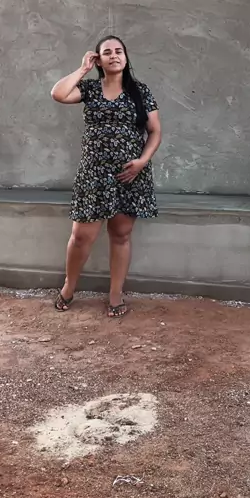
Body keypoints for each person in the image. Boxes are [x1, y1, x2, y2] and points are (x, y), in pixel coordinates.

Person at [50, 36, 162, 317]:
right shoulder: (89, 89)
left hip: (129, 175)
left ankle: (115, 294)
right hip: (94, 174)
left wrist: (142, 162)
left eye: (119, 51)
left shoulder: (140, 91)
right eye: (107, 52)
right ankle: (69, 287)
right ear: (99, 59)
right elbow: (59, 94)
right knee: (80, 237)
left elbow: (155, 131)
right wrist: (83, 69)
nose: (114, 56)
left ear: (126, 56)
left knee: (121, 235)